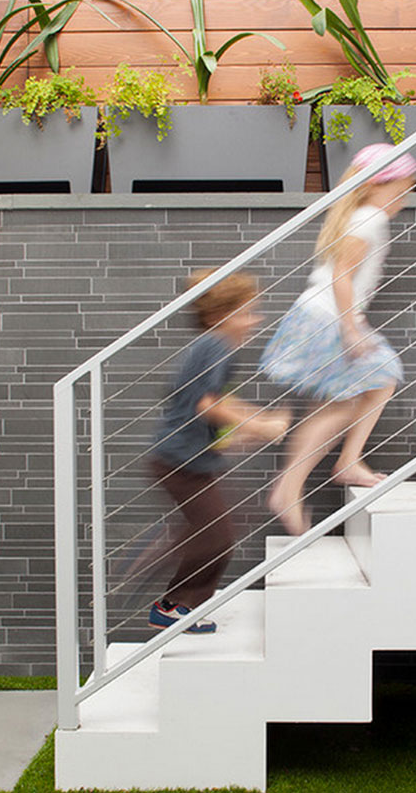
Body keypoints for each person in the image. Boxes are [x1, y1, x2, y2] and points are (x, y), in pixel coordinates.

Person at [260, 143, 416, 535]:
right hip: (328, 319)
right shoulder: (369, 220)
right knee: (380, 376)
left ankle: (309, 478)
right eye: (397, 191)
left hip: (318, 316)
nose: (401, 200)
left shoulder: (362, 216)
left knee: (335, 404)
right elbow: (341, 277)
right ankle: (311, 478)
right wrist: (351, 328)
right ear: (372, 186)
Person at [148, 269, 290, 634]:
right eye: (245, 312)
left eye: (254, 311)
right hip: (180, 462)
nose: (254, 320)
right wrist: (262, 426)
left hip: (185, 458)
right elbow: (208, 405)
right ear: (216, 317)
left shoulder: (209, 348)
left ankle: (186, 596)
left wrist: (254, 421)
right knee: (217, 537)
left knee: (216, 532)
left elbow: (213, 403)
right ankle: (174, 605)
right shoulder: (215, 346)